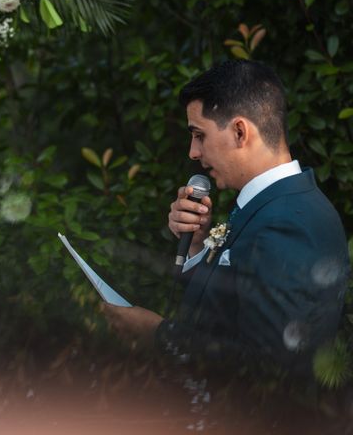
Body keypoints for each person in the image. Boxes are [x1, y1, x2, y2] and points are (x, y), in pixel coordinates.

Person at [103, 60, 350, 377]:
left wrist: (158, 335)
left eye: (199, 135)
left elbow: (268, 364)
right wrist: (195, 249)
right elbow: (228, 313)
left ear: (239, 131)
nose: (193, 152)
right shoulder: (275, 206)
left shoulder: (290, 223)